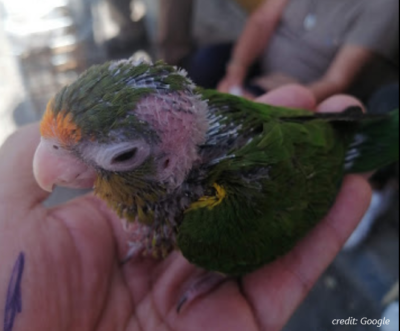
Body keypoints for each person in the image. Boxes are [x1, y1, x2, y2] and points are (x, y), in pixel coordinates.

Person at [0, 87, 371, 330]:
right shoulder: (179, 106)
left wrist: (221, 265)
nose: (53, 165)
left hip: (314, 160)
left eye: (123, 155)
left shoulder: (211, 222)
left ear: (168, 164)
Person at [185, 0, 399, 102]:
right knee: (205, 62)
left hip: (305, 85)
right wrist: (236, 71)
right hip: (261, 60)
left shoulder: (383, 7)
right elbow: (262, 20)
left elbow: (337, 80)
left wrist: (291, 95)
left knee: (245, 107)